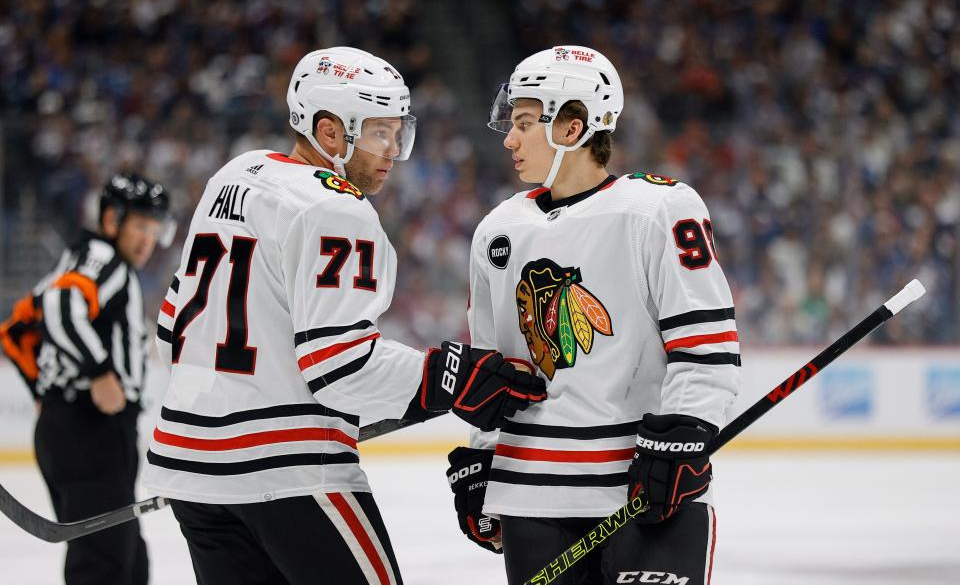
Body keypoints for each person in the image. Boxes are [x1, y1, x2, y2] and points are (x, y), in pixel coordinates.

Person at [140, 46, 546, 585]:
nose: (394, 149)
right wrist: (452, 375)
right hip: (288, 472)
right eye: (380, 133)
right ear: (330, 132)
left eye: (399, 132)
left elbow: (173, 326)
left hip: (190, 471)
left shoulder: (233, 176)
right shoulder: (335, 207)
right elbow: (339, 366)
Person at [444, 45, 742, 585]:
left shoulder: (658, 210)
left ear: (573, 125)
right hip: (528, 492)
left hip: (642, 487)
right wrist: (482, 456)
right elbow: (494, 372)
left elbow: (706, 349)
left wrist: (687, 434)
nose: (509, 139)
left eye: (526, 123)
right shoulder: (497, 229)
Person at [0, 172, 173, 585]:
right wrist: (99, 374)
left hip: (82, 433)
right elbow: (59, 305)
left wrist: (41, 389)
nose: (147, 240)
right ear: (112, 220)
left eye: (154, 229)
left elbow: (18, 329)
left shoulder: (84, 258)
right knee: (103, 564)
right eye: (140, 226)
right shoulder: (104, 259)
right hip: (89, 433)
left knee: (128, 561)